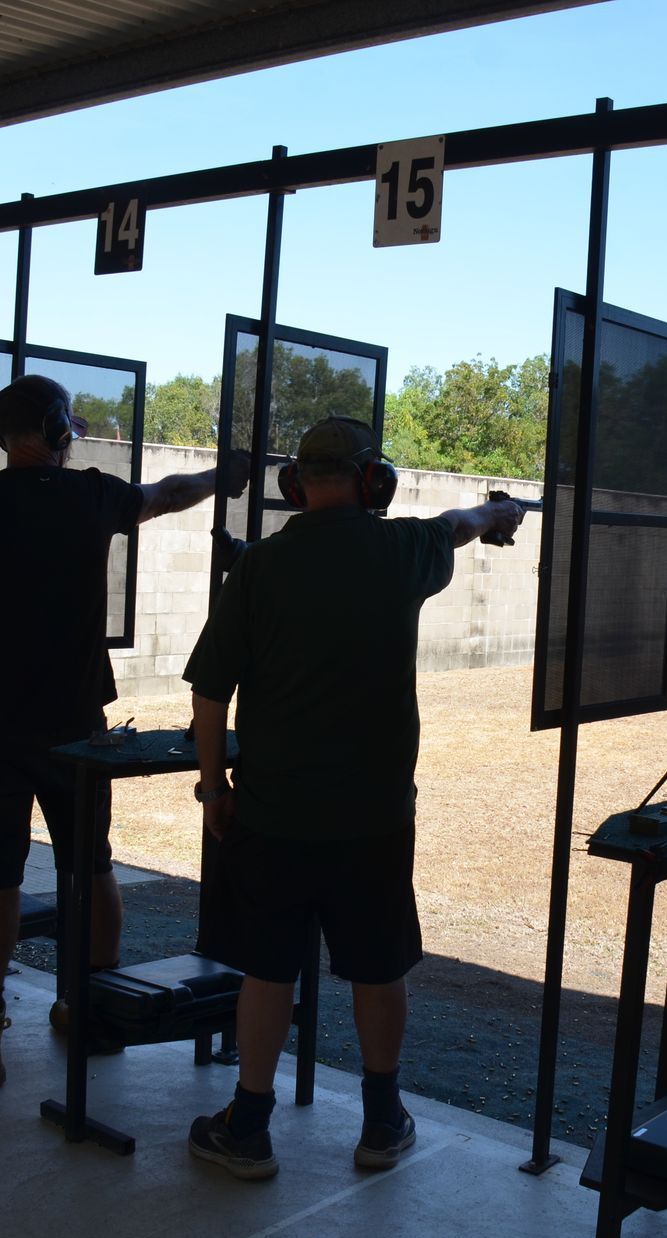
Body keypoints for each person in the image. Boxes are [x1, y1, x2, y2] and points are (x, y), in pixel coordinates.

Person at [181, 415, 523, 1180]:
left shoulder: (261, 567)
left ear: (295, 484)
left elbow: (210, 695)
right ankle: (380, 1121)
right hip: (372, 819)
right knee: (377, 968)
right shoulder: (402, 550)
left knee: (267, 971)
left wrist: (214, 789)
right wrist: (497, 515)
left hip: (270, 813)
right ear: (375, 482)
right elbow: (456, 523)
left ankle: (249, 1127)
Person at [0, 373, 249, 1090]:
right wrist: (225, 474)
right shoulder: (91, 493)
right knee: (91, 864)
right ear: (55, 431)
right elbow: (170, 493)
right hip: (78, 720)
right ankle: (92, 1009)